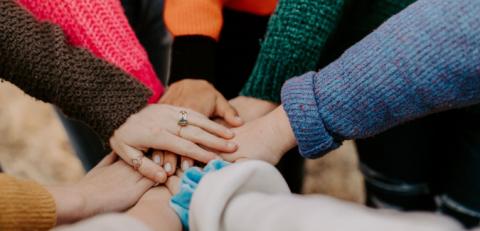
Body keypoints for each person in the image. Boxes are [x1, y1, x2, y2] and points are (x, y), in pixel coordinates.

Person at [218, 0, 480, 227]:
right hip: (382, 75)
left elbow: (466, 28)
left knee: (466, 208)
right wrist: (268, 91)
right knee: (395, 197)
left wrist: (281, 121)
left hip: (388, 69)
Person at [0, 0, 236, 184]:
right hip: (78, 30)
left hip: (176, 13)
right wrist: (118, 101)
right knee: (133, 172)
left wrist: (191, 67)